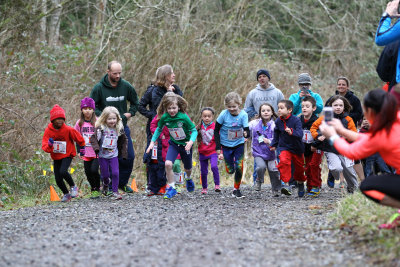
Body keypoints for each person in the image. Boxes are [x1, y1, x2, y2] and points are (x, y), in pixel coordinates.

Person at [319, 88, 400, 229]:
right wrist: (343, 131)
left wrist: (332, 136)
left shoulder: (383, 133)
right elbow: (369, 139)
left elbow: (352, 152)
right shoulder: (394, 120)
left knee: (367, 186)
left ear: (370, 111)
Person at [90, 61, 138, 193]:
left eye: (119, 73)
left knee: (128, 156)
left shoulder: (126, 86)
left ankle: (122, 183)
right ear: (108, 72)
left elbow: (136, 102)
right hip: (105, 130)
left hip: (120, 128)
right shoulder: (99, 88)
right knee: (107, 157)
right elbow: (92, 107)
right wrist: (103, 117)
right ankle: (107, 185)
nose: (117, 76)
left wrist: (130, 113)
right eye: (115, 73)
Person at [138, 65, 183, 190]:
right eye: (171, 73)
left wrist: (172, 92)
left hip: (172, 127)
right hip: (156, 128)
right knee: (154, 155)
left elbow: (181, 105)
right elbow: (142, 106)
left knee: (171, 154)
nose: (174, 75)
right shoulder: (154, 90)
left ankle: (170, 184)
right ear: (165, 76)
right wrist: (152, 116)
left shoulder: (176, 89)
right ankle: (152, 185)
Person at [146, 93, 198, 199]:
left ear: (178, 107)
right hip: (174, 144)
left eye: (174, 108)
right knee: (168, 164)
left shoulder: (183, 117)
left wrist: (191, 142)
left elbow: (193, 130)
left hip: (186, 145)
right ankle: (171, 187)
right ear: (165, 108)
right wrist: (152, 142)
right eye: (169, 108)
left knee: (188, 167)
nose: (172, 111)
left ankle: (188, 178)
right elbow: (158, 129)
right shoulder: (165, 117)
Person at [244, 69, 284, 185]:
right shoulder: (253, 93)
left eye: (264, 76)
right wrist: (248, 128)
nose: (261, 78)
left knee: (277, 152)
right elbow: (247, 110)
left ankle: (279, 182)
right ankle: (257, 181)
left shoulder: (277, 92)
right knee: (259, 151)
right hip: (259, 126)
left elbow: (283, 107)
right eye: (259, 77)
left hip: (274, 125)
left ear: (268, 78)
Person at [311, 96, 358, 193]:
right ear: (330, 106)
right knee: (337, 168)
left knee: (349, 172)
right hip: (330, 149)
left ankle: (353, 189)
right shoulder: (325, 118)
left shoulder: (348, 119)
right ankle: (333, 174)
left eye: (340, 105)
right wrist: (317, 136)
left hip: (345, 149)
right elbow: (313, 127)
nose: (338, 107)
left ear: (344, 107)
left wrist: (346, 135)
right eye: (335, 105)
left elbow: (354, 134)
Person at [325, 77, 364, 187]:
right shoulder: (332, 99)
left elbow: (359, 113)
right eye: (339, 84)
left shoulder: (354, 99)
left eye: (343, 84)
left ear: (347, 86)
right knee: (336, 154)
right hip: (334, 131)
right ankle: (340, 180)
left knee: (354, 155)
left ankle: (362, 179)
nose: (341, 86)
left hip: (349, 129)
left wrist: (344, 116)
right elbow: (326, 112)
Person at [42, 104, 85, 202]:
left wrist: (82, 148)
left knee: (63, 171)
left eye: (62, 118)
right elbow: (44, 146)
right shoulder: (48, 131)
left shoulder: (68, 129)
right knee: (58, 179)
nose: (60, 121)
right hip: (56, 156)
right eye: (58, 119)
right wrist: (49, 145)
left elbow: (79, 138)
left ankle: (73, 187)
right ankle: (66, 194)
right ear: (53, 120)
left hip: (67, 154)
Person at [214, 92, 249, 199]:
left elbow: (247, 129)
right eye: (229, 107)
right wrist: (218, 147)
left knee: (239, 165)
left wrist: (246, 134)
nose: (232, 109)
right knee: (230, 170)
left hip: (239, 143)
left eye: (234, 106)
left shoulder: (243, 115)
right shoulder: (223, 114)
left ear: (239, 104)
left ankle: (236, 189)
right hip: (226, 145)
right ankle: (230, 167)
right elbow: (216, 130)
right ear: (226, 106)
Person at [270, 100, 307, 197]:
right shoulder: (278, 121)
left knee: (299, 169)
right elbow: (276, 133)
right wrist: (274, 144)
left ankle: (300, 183)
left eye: (281, 108)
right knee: (283, 161)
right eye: (278, 108)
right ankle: (286, 184)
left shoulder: (296, 120)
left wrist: (292, 132)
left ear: (289, 110)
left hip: (297, 148)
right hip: (284, 147)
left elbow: (300, 133)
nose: (279, 110)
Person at [90, 106, 128, 200]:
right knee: (105, 175)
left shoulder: (119, 129)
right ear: (104, 119)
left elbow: (124, 140)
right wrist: (96, 148)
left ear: (117, 119)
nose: (112, 121)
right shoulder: (101, 128)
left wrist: (124, 152)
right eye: (109, 119)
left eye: (114, 118)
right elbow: (93, 138)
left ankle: (115, 192)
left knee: (115, 173)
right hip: (103, 155)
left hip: (113, 155)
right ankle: (106, 184)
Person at [248, 103, 280, 196]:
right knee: (260, 167)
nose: (266, 112)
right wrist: (245, 134)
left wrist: (269, 141)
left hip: (271, 153)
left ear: (272, 112)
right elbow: (246, 128)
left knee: (273, 171)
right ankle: (259, 180)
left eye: (268, 110)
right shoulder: (254, 123)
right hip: (258, 152)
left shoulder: (275, 125)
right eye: (263, 111)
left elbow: (277, 138)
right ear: (260, 113)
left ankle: (276, 190)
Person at [74, 97, 101, 199]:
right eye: (85, 108)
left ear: (93, 109)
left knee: (94, 170)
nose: (87, 111)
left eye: (90, 108)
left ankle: (97, 188)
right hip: (86, 152)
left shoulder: (97, 121)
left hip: (96, 151)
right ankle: (93, 188)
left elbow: (102, 135)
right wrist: (79, 151)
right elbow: (77, 137)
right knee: (88, 172)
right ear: (82, 110)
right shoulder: (79, 123)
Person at [300, 96, 323, 197]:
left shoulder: (317, 121)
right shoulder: (299, 120)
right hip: (305, 148)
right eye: (303, 106)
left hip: (317, 147)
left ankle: (316, 186)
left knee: (314, 165)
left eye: (307, 106)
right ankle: (309, 186)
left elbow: (322, 135)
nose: (304, 108)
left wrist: (315, 144)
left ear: (313, 108)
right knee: (307, 167)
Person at [196, 107, 220, 195]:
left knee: (214, 167)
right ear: (201, 117)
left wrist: (220, 151)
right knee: (203, 171)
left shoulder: (215, 126)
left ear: (212, 117)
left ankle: (217, 185)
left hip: (213, 151)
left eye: (209, 116)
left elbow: (218, 139)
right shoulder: (199, 127)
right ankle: (204, 187)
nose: (207, 118)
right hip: (202, 151)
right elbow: (192, 134)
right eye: (205, 116)